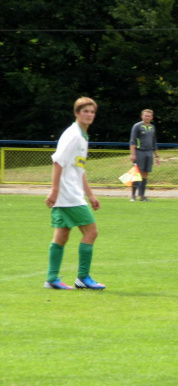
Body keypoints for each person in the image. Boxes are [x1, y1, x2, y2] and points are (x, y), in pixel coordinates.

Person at [44, 96, 106, 290]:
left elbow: (79, 170)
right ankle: (83, 278)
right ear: (76, 113)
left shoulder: (82, 136)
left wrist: (91, 194)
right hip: (68, 194)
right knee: (91, 232)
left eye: (92, 112)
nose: (89, 115)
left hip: (71, 193)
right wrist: (55, 190)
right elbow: (58, 161)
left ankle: (52, 279)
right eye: (85, 111)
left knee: (61, 236)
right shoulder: (73, 135)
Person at [129, 109, 160, 201]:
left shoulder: (152, 127)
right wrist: (133, 154)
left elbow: (154, 142)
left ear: (152, 117)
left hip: (148, 152)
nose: (147, 117)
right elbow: (132, 141)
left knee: (145, 173)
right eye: (145, 115)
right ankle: (133, 195)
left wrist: (156, 156)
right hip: (139, 152)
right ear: (142, 116)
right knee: (137, 173)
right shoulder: (137, 126)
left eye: (149, 116)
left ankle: (142, 195)